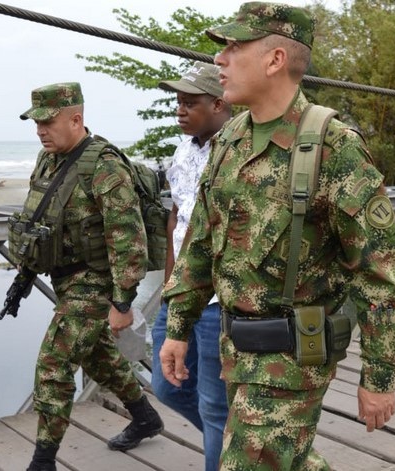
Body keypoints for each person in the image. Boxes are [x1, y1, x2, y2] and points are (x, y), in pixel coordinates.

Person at [159, 3, 395, 470]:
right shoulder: (230, 139)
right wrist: (178, 326)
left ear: (275, 59)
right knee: (287, 462)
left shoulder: (334, 147)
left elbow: (382, 275)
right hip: (235, 349)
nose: (220, 59)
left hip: (293, 359)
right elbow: (201, 243)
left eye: (234, 47)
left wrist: (380, 375)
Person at [12, 82, 163, 471]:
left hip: (95, 281)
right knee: (99, 358)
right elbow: (40, 218)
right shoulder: (48, 160)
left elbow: (129, 239)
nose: (40, 131)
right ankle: (145, 417)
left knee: (54, 364)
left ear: (75, 119)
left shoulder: (104, 166)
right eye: (36, 123)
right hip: (65, 279)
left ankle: (43, 461)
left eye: (48, 122)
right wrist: (26, 268)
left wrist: (123, 302)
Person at [151, 61, 232, 471]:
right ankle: (242, 449)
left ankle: (234, 451)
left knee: (215, 404)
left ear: (218, 104)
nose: (179, 110)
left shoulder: (238, 151)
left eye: (190, 103)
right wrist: (170, 287)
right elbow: (177, 218)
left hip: (218, 300)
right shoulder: (184, 150)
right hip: (181, 295)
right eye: (178, 102)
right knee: (167, 387)